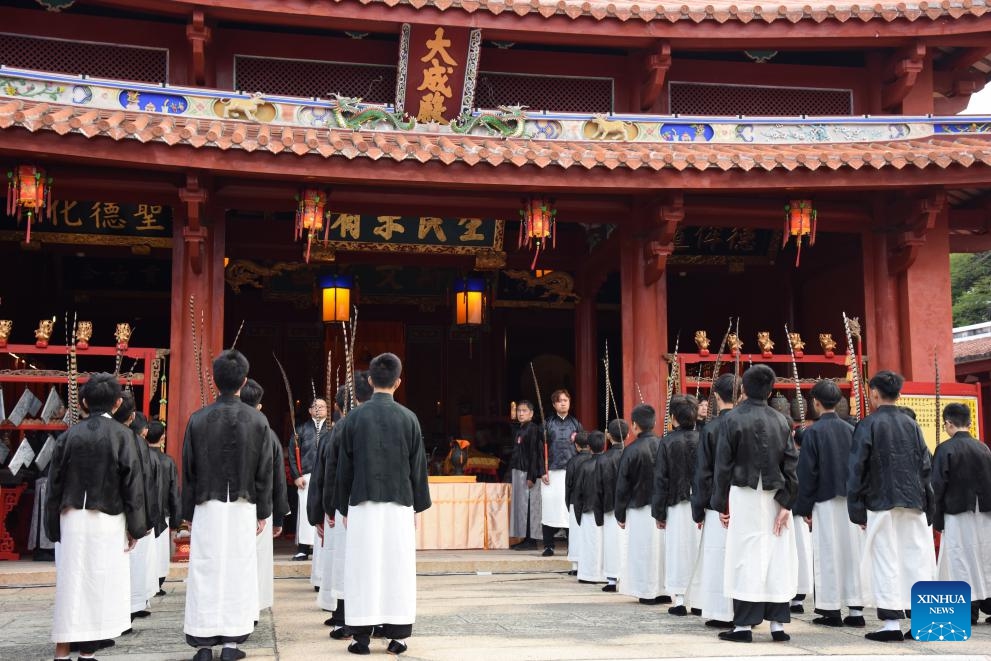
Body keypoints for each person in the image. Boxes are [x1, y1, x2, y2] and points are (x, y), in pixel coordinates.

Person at [335, 353, 431, 656]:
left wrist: (343, 506)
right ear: (398, 382)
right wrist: (417, 505)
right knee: (397, 567)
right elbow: (418, 467)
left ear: (370, 380)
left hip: (362, 502)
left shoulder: (354, 418)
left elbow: (344, 467)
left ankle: (360, 637)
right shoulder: (409, 418)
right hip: (399, 503)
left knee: (362, 567)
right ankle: (397, 636)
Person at [46, 373, 146, 661]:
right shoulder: (124, 436)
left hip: (71, 517)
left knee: (71, 584)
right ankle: (87, 654)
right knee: (98, 585)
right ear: (117, 403)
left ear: (85, 402)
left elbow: (54, 484)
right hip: (108, 519)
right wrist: (136, 527)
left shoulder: (68, 436)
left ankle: (62, 652)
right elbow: (132, 486)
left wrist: (52, 526)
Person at [182, 350, 274, 661]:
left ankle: (204, 644)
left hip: (206, 504)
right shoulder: (258, 420)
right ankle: (231, 644)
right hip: (242, 505)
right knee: (238, 569)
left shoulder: (197, 419)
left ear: (214, 379)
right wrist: (263, 511)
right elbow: (264, 471)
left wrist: (187, 513)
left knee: (205, 569)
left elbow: (189, 470)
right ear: (244, 381)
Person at [711, 364, 799, 643]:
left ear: (743, 390)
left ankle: (743, 626)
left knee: (744, 558)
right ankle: (777, 625)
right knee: (776, 557)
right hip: (775, 495)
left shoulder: (732, 419)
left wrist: (721, 505)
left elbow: (722, 465)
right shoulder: (782, 420)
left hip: (743, 493)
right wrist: (787, 504)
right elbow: (791, 464)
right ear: (771, 391)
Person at [848, 370, 936, 643]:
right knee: (915, 560)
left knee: (885, 558)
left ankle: (891, 623)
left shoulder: (868, 424)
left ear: (874, 393)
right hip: (914, 500)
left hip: (881, 500)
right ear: (898, 393)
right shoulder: (912, 424)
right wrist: (929, 503)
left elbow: (857, 469)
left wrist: (856, 508)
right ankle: (921, 622)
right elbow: (925, 465)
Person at [792, 379, 865, 628]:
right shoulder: (851, 430)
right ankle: (855, 609)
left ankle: (831, 609)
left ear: (816, 402)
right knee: (852, 553)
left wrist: (803, 507)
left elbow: (807, 473)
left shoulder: (813, 432)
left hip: (824, 500)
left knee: (827, 552)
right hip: (850, 500)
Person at [309, 373, 373, 638]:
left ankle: (345, 618)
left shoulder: (340, 430)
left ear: (336, 406)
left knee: (346, 562)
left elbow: (327, 474)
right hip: (366, 502)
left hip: (344, 503)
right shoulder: (371, 425)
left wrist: (325, 510)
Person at [932, 403, 991, 625]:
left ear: (948, 423)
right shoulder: (984, 448)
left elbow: (937, 487)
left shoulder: (945, 449)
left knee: (960, 559)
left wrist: (936, 519)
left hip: (957, 512)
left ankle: (968, 610)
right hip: (984, 512)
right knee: (985, 558)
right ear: (969, 422)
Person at [687, 374, 736, 628]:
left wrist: (699, 508)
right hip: (745, 500)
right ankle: (746, 612)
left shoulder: (711, 428)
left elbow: (703, 473)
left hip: (717, 502)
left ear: (716, 396)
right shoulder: (749, 423)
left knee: (717, 557)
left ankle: (721, 612)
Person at [239, 378, 290, 617]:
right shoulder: (268, 433)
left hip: (231, 503)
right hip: (260, 506)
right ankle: (255, 606)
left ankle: (237, 605)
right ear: (259, 406)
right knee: (258, 558)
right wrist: (278, 515)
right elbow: (277, 477)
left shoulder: (224, 427)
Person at [653, 395, 701, 616]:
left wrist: (659, 512)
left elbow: (661, 478)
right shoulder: (704, 438)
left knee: (678, 550)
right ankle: (699, 599)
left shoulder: (667, 441)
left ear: (673, 418)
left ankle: (680, 600)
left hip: (675, 503)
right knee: (699, 550)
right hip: (700, 504)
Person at [113, 393, 159, 623]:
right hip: (129, 510)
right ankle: (131, 607)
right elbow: (144, 483)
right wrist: (144, 519)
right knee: (132, 562)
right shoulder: (137, 443)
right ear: (131, 417)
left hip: (106, 510)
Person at [615, 404, 666, 605]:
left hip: (638, 506)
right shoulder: (664, 445)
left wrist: (620, 513)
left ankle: (646, 591)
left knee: (642, 550)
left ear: (634, 425)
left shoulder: (630, 450)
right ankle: (663, 590)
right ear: (654, 423)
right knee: (662, 551)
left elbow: (622, 485)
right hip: (662, 507)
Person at [538, 389, 583, 557]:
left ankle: (573, 545)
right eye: (559, 401)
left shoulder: (576, 424)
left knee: (569, 508)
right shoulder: (547, 424)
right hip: (551, 472)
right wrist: (542, 471)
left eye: (565, 400)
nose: (563, 403)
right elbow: (539, 450)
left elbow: (582, 448)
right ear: (554, 404)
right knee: (549, 507)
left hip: (571, 471)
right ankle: (549, 545)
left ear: (570, 402)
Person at [288, 398, 330, 561]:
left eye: (322, 406)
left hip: (327, 475)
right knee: (306, 510)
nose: (319, 409)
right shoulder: (301, 430)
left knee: (327, 510)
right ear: (310, 410)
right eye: (315, 407)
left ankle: (325, 546)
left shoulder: (332, 428)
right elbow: (292, 454)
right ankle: (303, 548)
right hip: (306, 475)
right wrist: (296, 476)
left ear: (327, 409)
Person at [146, 420, 180, 597]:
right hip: (163, 513)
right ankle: (157, 584)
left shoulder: (141, 458)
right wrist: (176, 518)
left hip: (144, 514)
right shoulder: (168, 462)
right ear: (163, 437)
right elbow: (174, 492)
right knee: (159, 553)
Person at [596, 419, 628, 593]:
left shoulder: (603, 459)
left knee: (612, 543)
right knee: (627, 543)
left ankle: (611, 579)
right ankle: (627, 577)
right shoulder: (630, 453)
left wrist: (598, 513)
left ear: (608, 436)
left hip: (609, 505)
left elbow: (598, 488)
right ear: (628, 435)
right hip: (629, 506)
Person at [573, 430, 607, 584]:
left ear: (589, 447)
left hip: (588, 509)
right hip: (606, 511)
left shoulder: (584, 466)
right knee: (605, 543)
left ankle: (588, 574)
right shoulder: (609, 463)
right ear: (604, 445)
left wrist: (578, 513)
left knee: (589, 543)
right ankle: (606, 574)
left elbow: (578, 492)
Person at [509, 400, 542, 551]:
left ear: (531, 413)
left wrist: (531, 476)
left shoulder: (533, 429)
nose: (521, 414)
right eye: (519, 411)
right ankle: (524, 538)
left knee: (529, 506)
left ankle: (531, 540)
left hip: (527, 472)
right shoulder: (521, 429)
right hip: (519, 470)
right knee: (522, 506)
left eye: (524, 411)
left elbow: (535, 453)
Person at [564, 431, 593, 575]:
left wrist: (568, 502)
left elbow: (568, 484)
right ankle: (589, 564)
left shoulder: (572, 462)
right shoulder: (594, 459)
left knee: (575, 534)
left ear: (576, 445)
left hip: (575, 501)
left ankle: (575, 566)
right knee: (589, 534)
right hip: (591, 502)